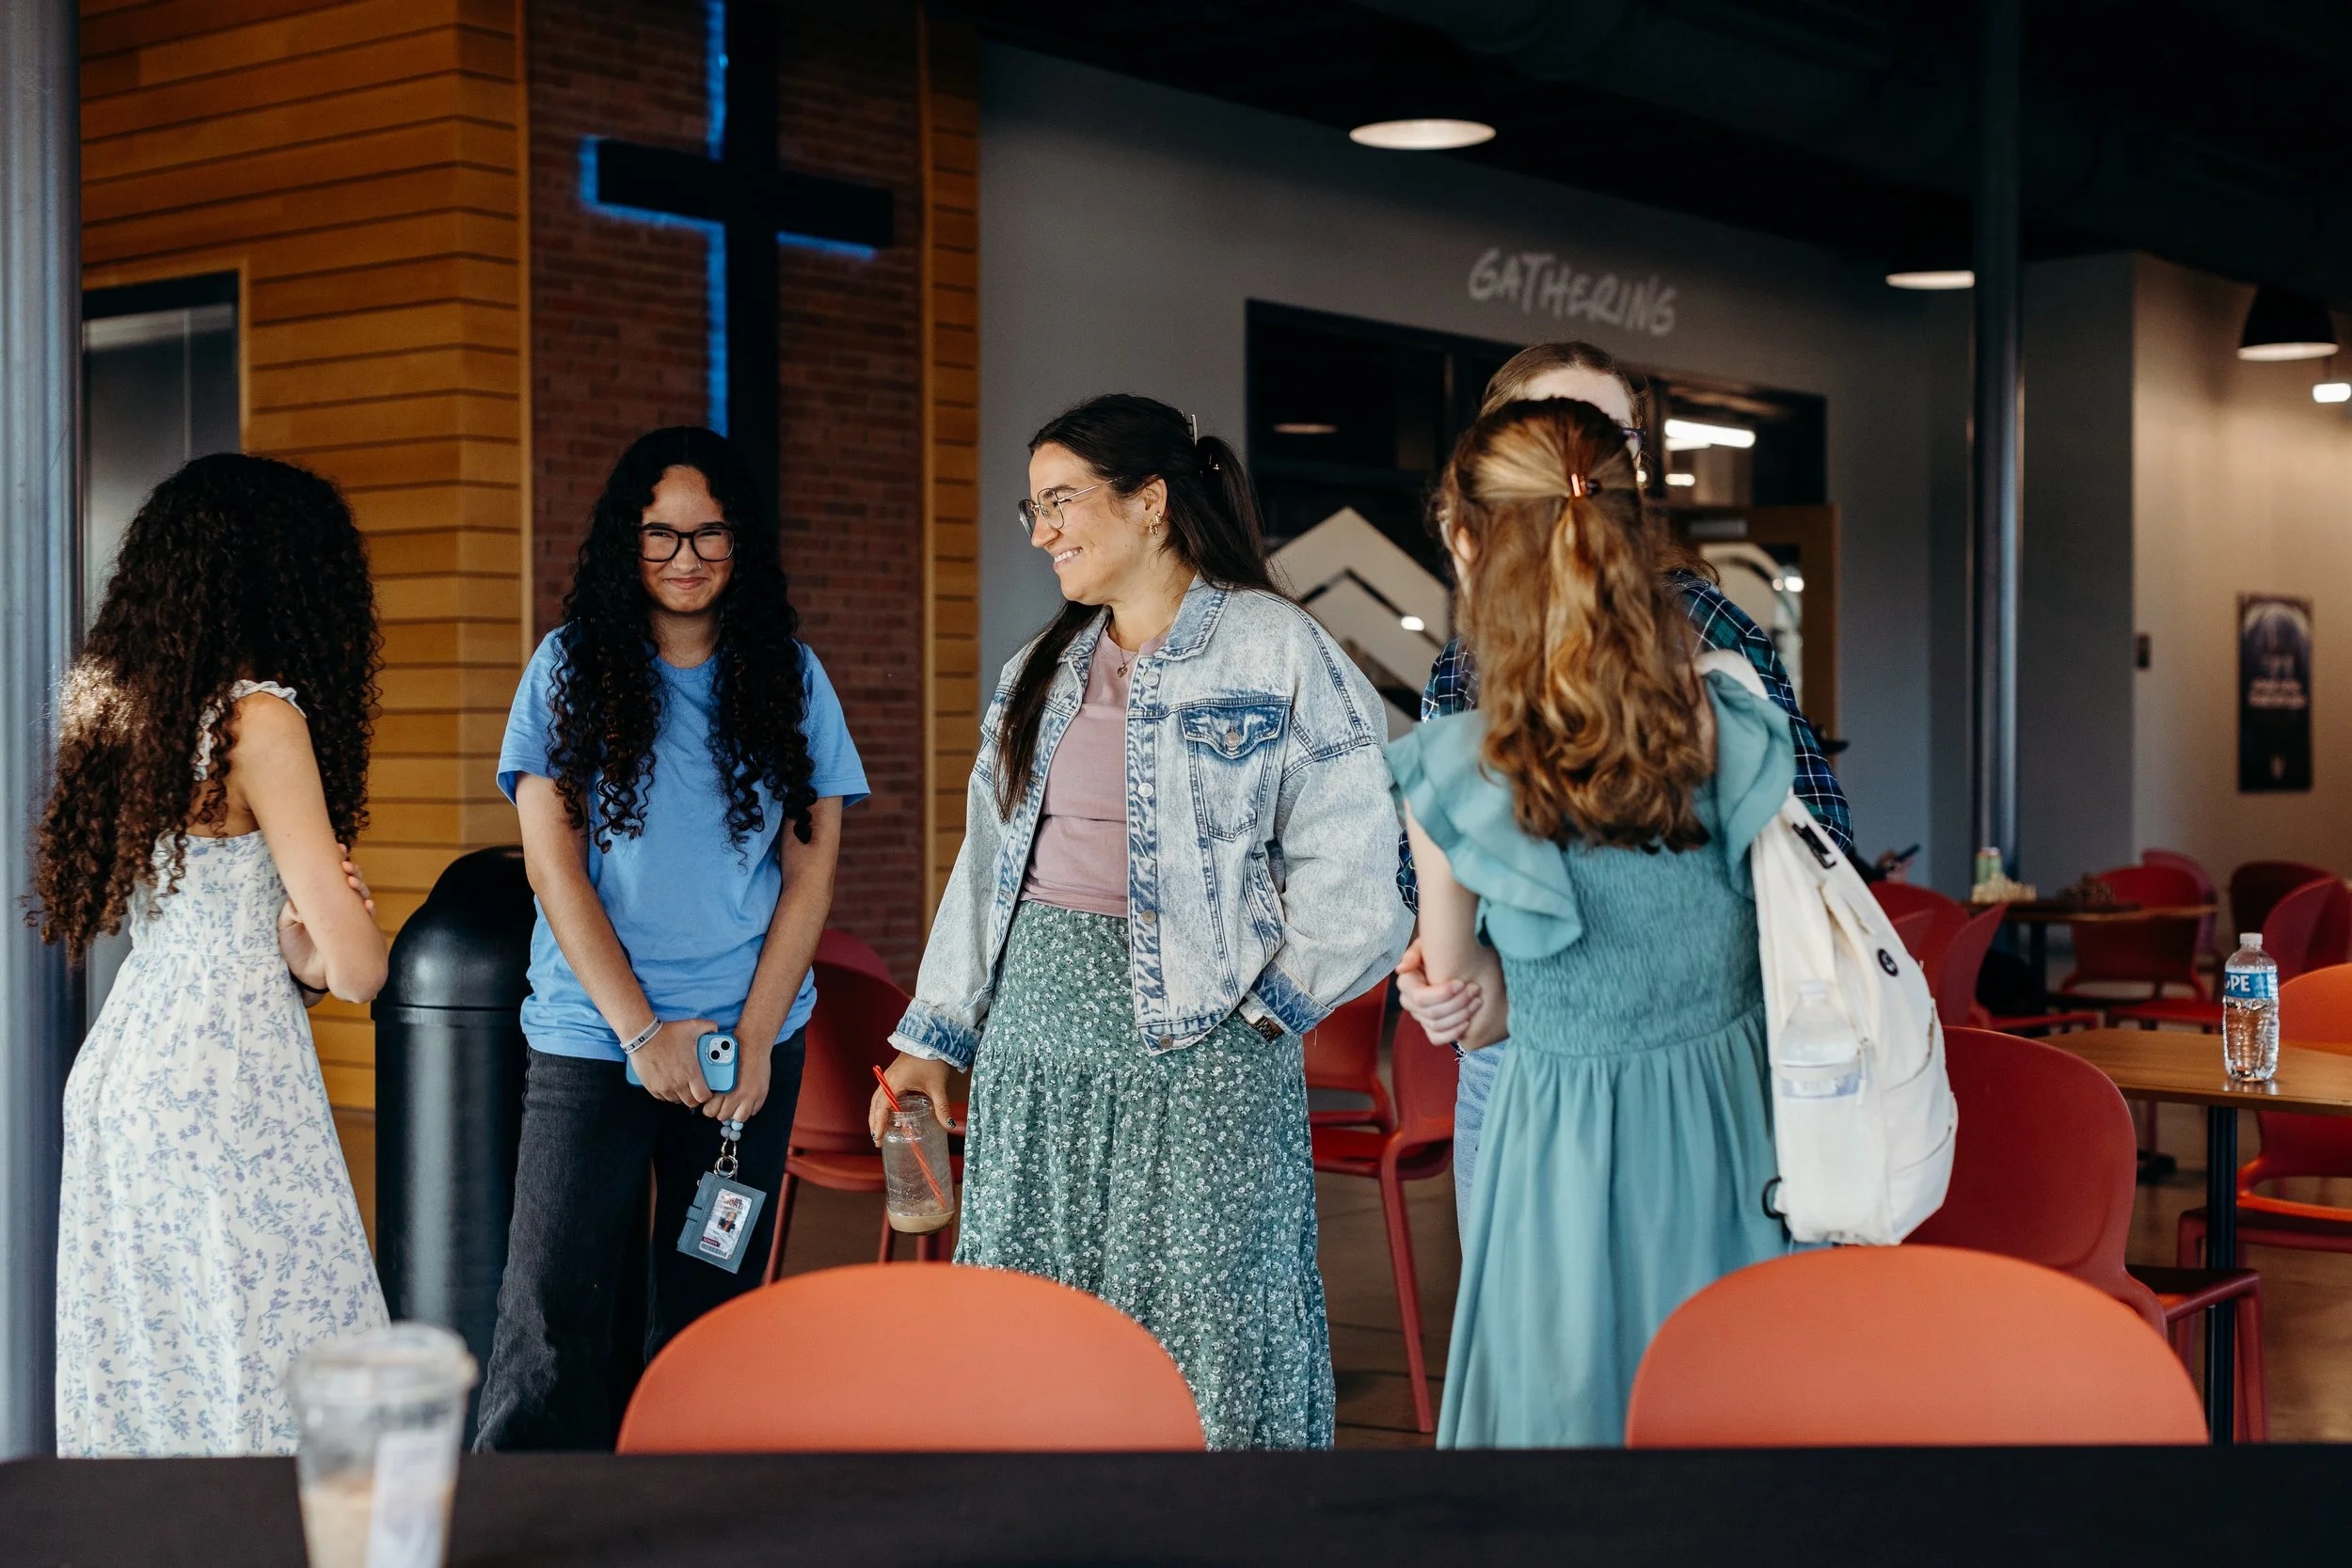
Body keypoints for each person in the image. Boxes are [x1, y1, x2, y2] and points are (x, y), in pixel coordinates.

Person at [873, 395, 1410, 1449]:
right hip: (1036, 1044)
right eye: (1031, 509)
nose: (1044, 531)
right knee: (1037, 1321)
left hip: (1203, 1048)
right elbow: (987, 869)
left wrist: (1264, 1012)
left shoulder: (1278, 647)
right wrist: (933, 1036)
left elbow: (1364, 866)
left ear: (1152, 502)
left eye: (1063, 501)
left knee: (1212, 1332)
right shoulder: (1039, 667)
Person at [1392, 397, 1796, 1446]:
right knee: (1731, 1430)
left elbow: (1469, 1010)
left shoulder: (1459, 767)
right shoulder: (1729, 724)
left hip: (1562, 1140)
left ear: (1467, 541)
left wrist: (1461, 987)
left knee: (1565, 1445)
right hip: (1734, 1130)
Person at [474, 427, 867, 1449]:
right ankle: (521, 1529)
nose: (685, 559)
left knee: (710, 1313)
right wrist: (643, 1030)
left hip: (744, 1045)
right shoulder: (566, 669)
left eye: (708, 535)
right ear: (624, 541)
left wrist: (751, 1043)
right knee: (554, 1309)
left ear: (742, 544)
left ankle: (690, 1523)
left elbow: (810, 870)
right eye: (660, 535)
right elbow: (553, 868)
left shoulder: (790, 674)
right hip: (596, 1037)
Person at [1397, 340, 1850, 1227]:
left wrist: (1463, 977)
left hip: (1625, 1071)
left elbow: (1820, 854)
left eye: (1613, 439)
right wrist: (1439, 984)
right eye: (1558, 429)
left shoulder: (1711, 632)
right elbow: (1428, 905)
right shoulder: (1465, 673)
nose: (1589, 457)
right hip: (1580, 1079)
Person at [40, 453, 390, 1456]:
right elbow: (363, 970)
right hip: (225, 1083)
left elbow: (267, 940)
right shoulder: (262, 718)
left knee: (154, 1370)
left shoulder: (127, 706)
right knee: (277, 1364)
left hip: (126, 1072)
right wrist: (337, 930)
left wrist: (301, 949)